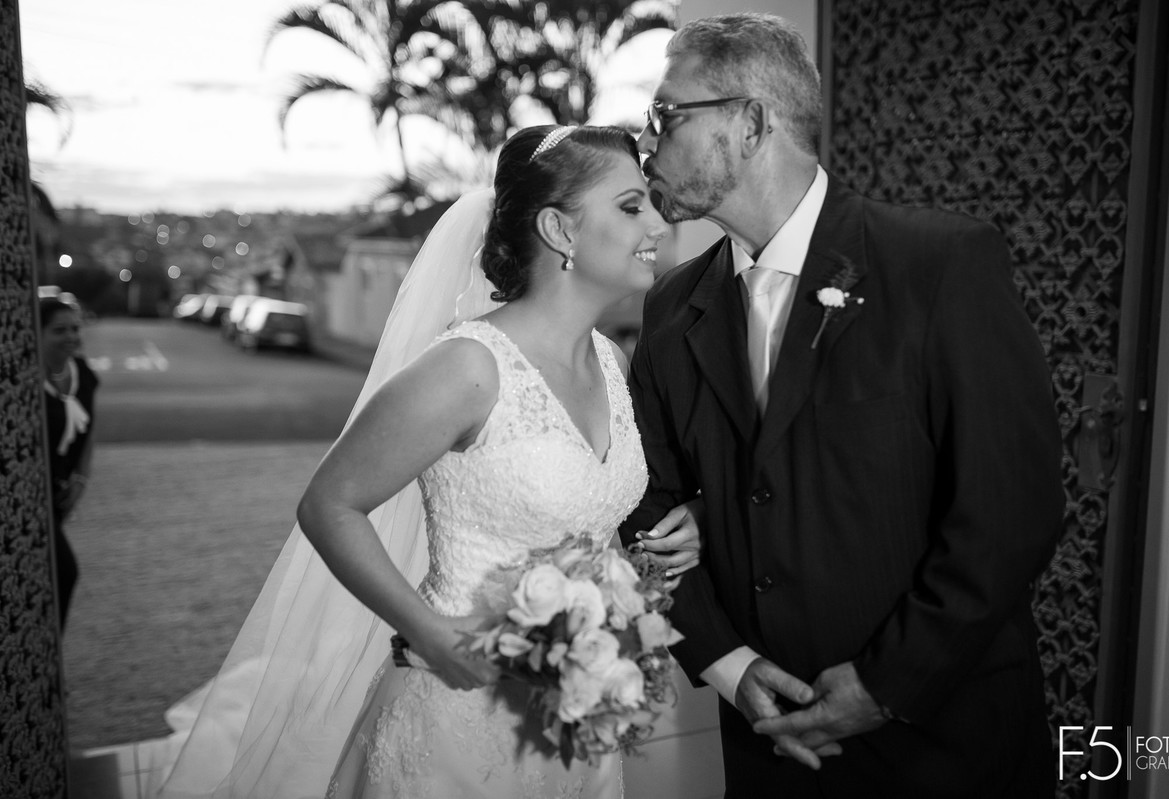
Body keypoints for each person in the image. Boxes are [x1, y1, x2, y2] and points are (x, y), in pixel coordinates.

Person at [157, 124, 698, 799]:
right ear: (559, 229)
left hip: (572, 725)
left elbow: (591, 524)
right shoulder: (468, 366)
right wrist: (429, 631)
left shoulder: (613, 365)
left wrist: (645, 566)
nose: (658, 220)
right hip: (455, 722)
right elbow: (329, 504)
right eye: (630, 205)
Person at [618, 13, 1064, 799]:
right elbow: (645, 503)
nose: (649, 143)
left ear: (749, 122)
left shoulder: (939, 266)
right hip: (770, 752)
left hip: (944, 746)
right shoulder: (669, 311)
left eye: (667, 115)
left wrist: (887, 683)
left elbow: (1011, 512)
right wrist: (728, 664)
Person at [40, 297, 98, 628]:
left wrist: (81, 479)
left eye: (75, 328)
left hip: (60, 493)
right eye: (59, 330)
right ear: (38, 332)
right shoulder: (24, 382)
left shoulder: (83, 374)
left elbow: (90, 432)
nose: (71, 337)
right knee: (64, 572)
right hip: (33, 497)